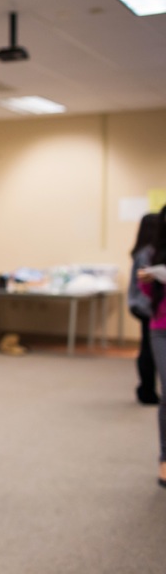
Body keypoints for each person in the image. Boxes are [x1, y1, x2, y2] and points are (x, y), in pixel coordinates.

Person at [137, 205, 166, 488]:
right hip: (161, 327)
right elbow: (146, 294)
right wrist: (148, 281)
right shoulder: (151, 254)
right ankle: (165, 459)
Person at [128, 213, 159, 405]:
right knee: (149, 350)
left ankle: (146, 389)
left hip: (143, 305)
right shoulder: (148, 253)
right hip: (146, 306)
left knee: (147, 348)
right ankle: (146, 390)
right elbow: (147, 285)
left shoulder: (142, 251)